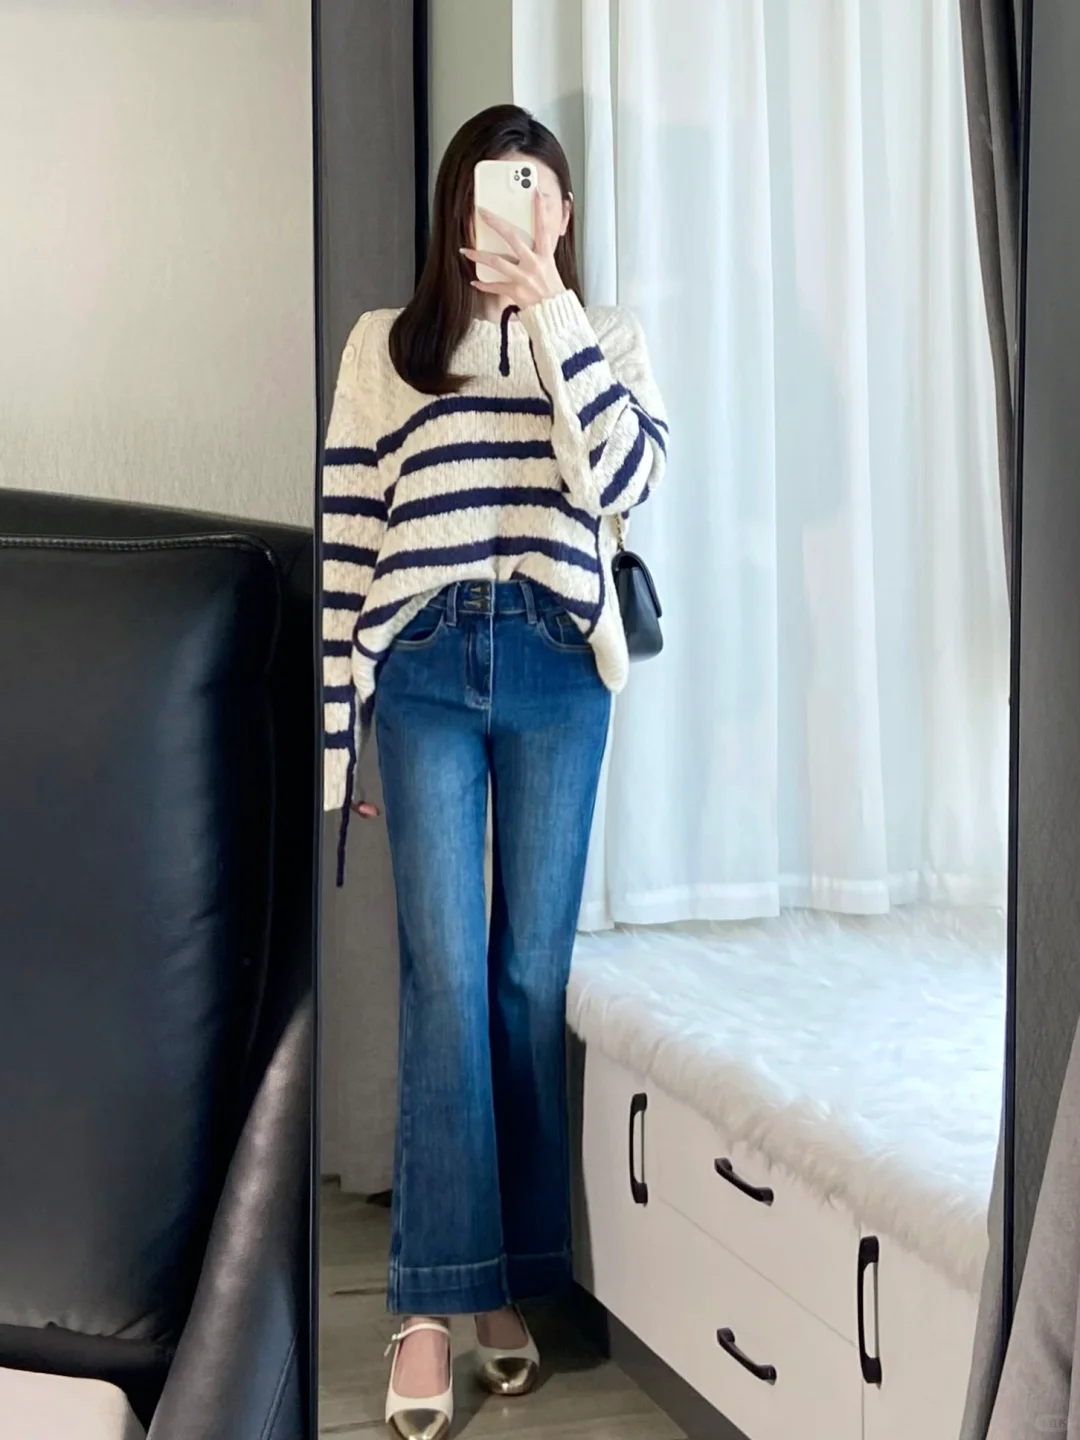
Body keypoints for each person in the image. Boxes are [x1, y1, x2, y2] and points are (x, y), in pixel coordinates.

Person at [322, 103, 668, 1440]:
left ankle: (502, 1283)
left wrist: (553, 318)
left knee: (527, 984)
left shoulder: (606, 340)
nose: (515, 210)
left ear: (561, 211)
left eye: (537, 190)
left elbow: (624, 481)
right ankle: (429, 1304)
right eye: (491, 190)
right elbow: (350, 537)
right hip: (420, 668)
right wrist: (341, 728)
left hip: (556, 670)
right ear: (455, 213)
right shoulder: (387, 348)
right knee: (446, 979)